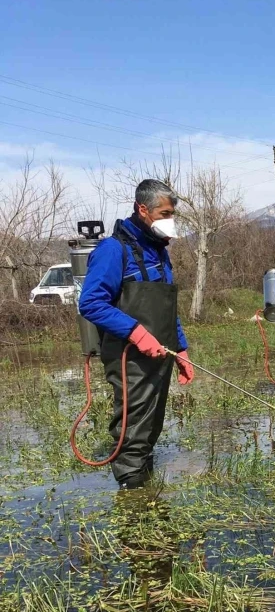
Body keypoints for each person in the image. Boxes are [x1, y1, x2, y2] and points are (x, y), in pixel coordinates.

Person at [79, 179, 194, 490]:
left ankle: (145, 482)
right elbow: (90, 303)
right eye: (165, 213)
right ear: (143, 209)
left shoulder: (159, 251)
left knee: (151, 423)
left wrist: (179, 348)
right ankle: (133, 497)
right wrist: (137, 333)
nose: (170, 220)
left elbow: (167, 306)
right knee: (133, 423)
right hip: (129, 355)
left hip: (161, 353)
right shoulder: (112, 250)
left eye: (173, 214)